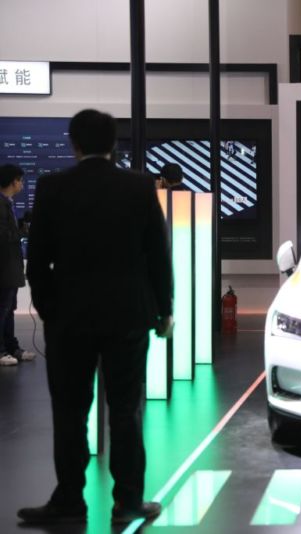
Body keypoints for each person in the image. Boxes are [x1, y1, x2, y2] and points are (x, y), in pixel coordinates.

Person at [19, 109, 174, 525]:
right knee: (125, 410)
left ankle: (69, 500)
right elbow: (158, 255)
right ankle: (128, 502)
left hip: (69, 319)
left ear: (74, 143)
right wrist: (164, 309)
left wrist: (50, 309)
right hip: (128, 316)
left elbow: (38, 260)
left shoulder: (52, 187)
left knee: (70, 412)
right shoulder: (139, 186)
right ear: (113, 144)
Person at [0, 164, 36, 366]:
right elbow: (3, 235)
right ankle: (2, 351)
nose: (22, 184)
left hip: (10, 268)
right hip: (4, 268)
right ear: (12, 181)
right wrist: (21, 231)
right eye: (20, 180)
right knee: (3, 309)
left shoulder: (7, 203)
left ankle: (11, 347)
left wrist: (21, 226)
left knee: (9, 309)